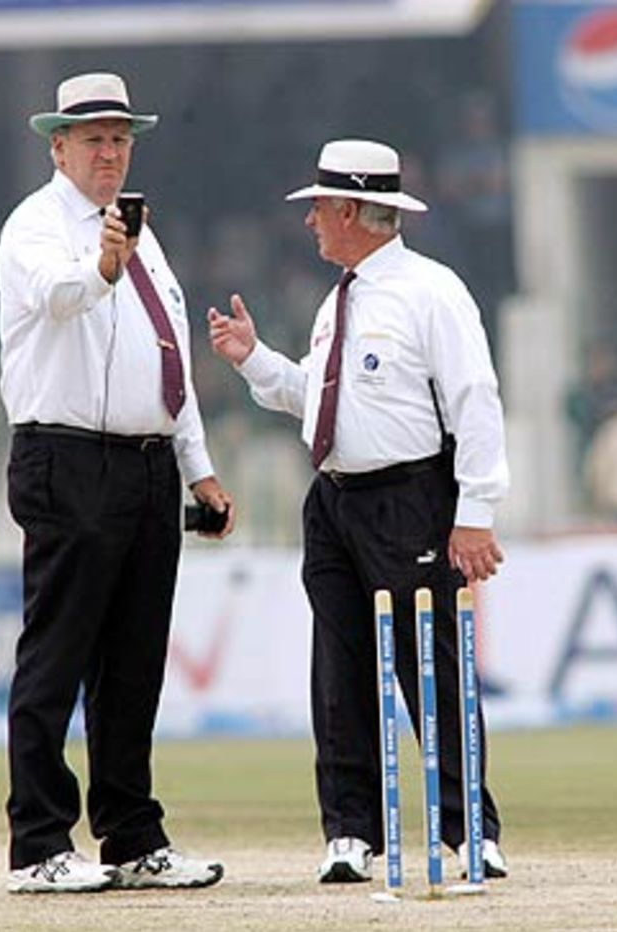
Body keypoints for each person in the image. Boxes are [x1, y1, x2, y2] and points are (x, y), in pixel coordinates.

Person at [208, 139, 510, 883]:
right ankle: (350, 832)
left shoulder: (431, 290)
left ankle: (468, 827)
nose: (310, 222)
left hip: (409, 497)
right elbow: (321, 395)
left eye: (318, 208)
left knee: (427, 663)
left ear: (350, 210)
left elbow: (476, 400)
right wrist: (254, 359)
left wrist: (475, 511)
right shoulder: (338, 296)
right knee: (338, 670)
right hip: (335, 502)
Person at [0, 72, 236, 894]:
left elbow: (168, 354)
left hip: (145, 462)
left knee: (134, 663)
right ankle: (38, 845)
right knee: (58, 652)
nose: (109, 151)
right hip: (66, 456)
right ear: (56, 145)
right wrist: (101, 266)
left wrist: (198, 470)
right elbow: (57, 298)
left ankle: (132, 838)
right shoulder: (35, 226)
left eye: (120, 138)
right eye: (93, 138)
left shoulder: (139, 231)